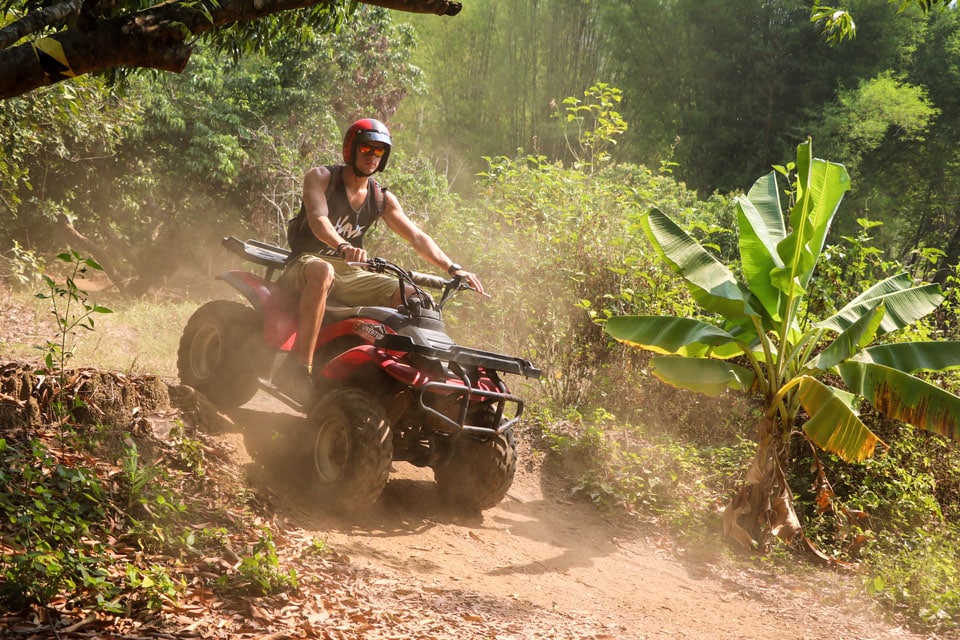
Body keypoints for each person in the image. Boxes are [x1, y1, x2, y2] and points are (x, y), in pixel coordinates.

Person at [274, 118, 483, 402]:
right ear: (352, 149)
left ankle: (405, 381)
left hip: (349, 271)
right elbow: (317, 219)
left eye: (379, 152)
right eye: (367, 149)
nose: (372, 157)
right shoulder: (321, 177)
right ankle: (300, 370)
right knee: (323, 270)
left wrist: (454, 267)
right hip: (307, 262)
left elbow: (416, 237)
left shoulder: (381, 198)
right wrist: (342, 244)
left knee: (413, 295)